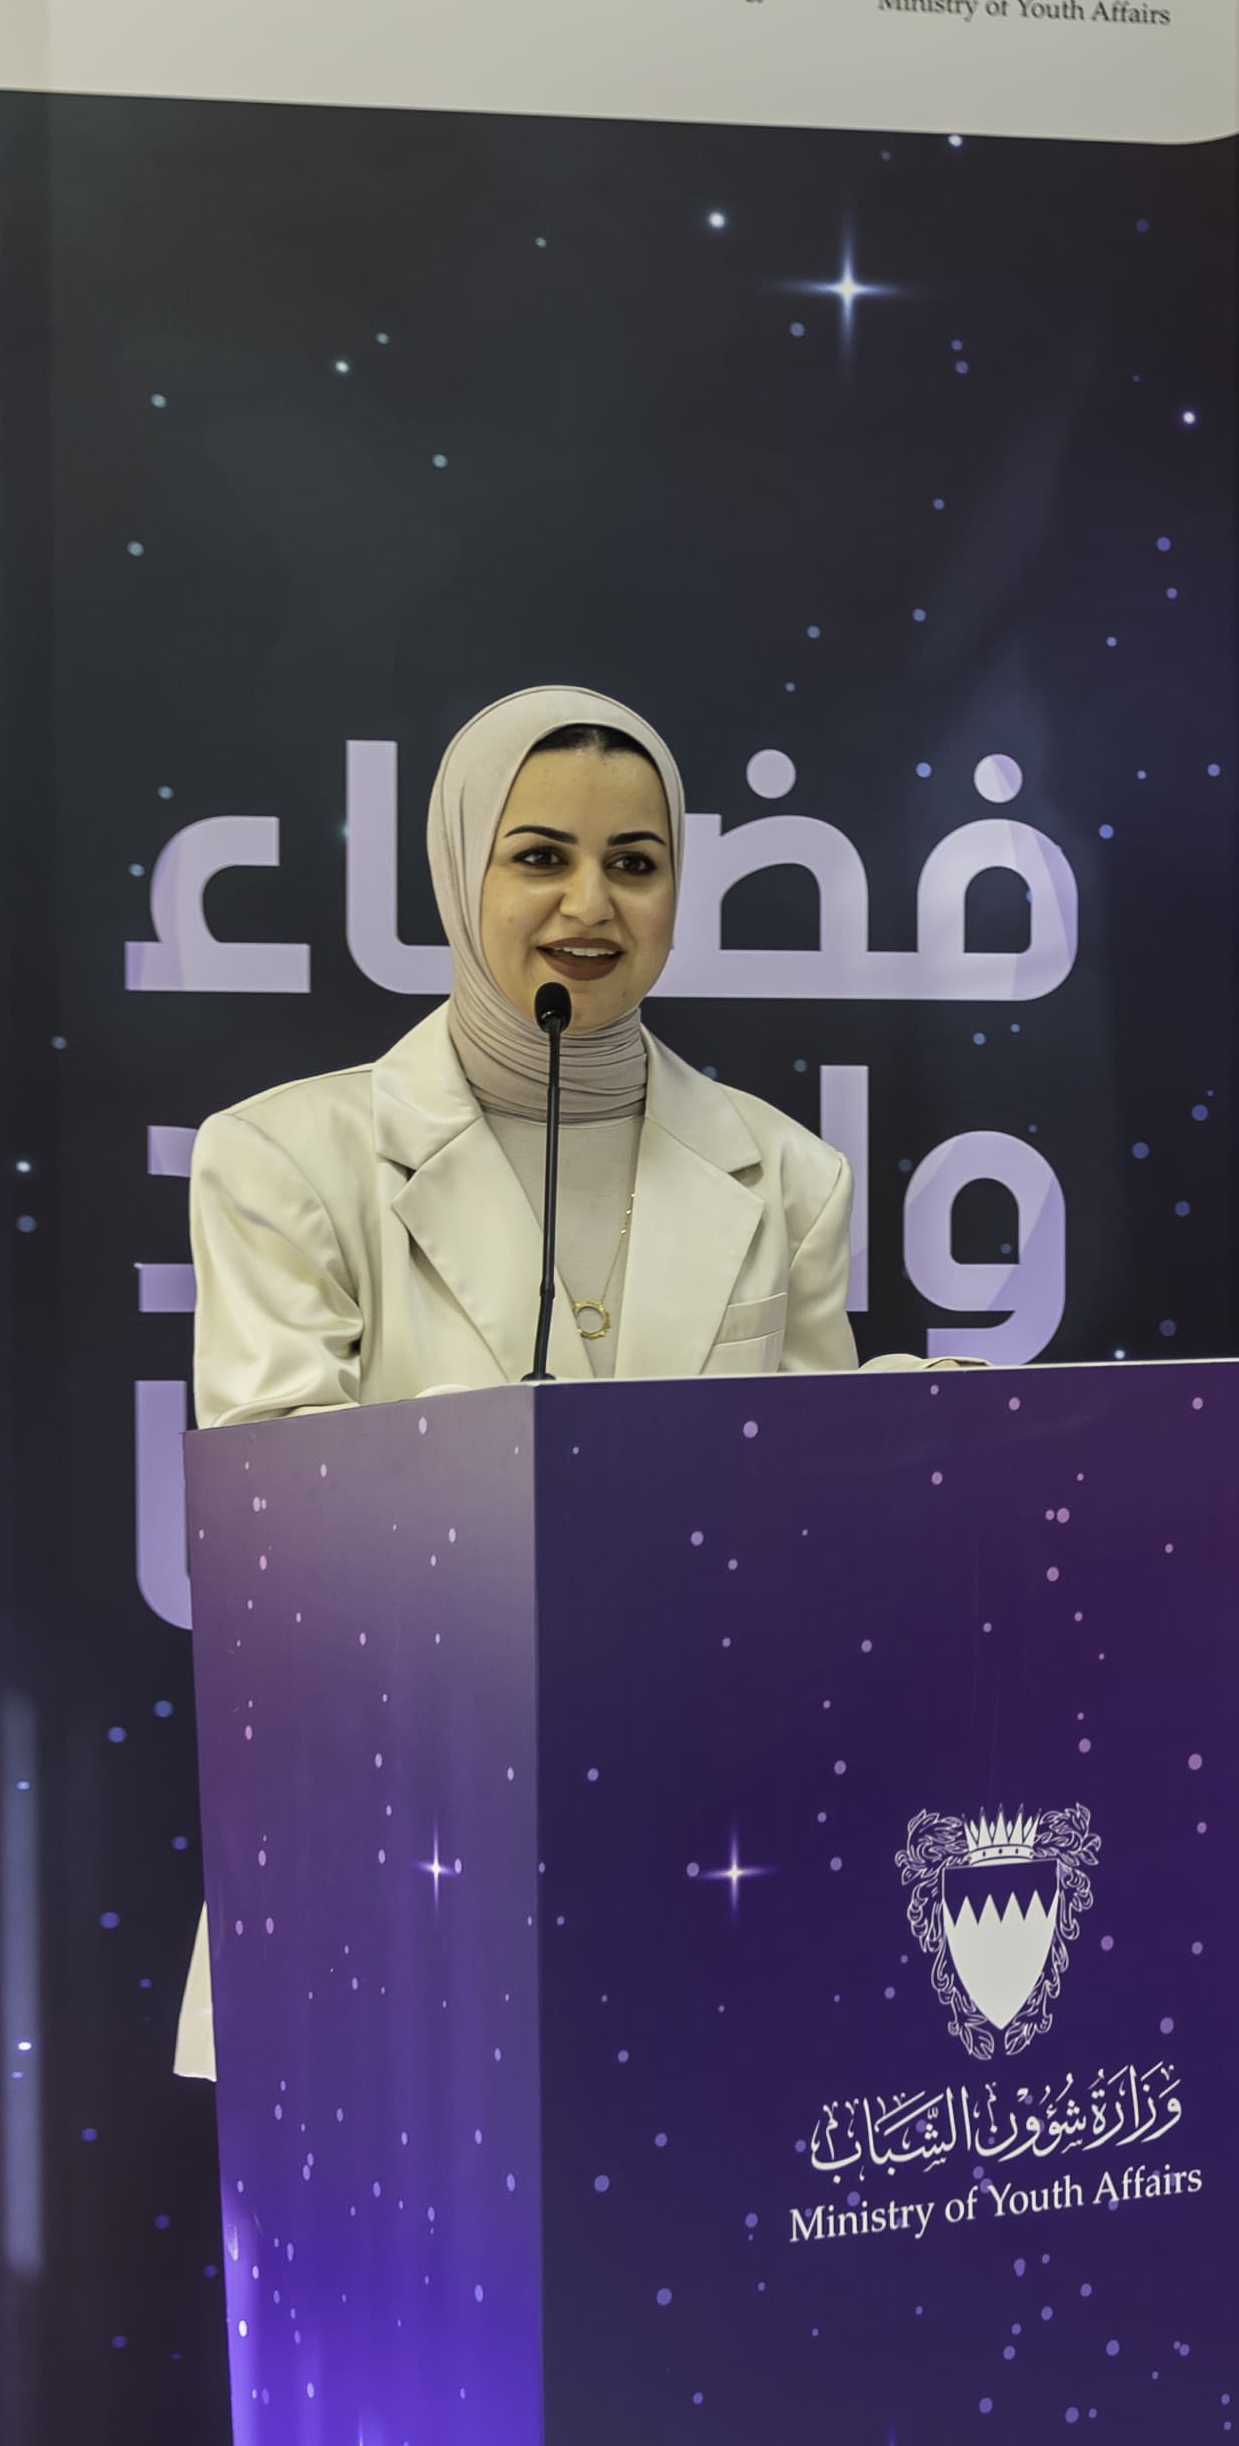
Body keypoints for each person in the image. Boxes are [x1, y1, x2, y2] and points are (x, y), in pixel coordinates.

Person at [171, 682, 862, 2070]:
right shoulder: (283, 1159)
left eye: (636, 863)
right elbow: (284, 1545)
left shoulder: (790, 1174)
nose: (589, 906)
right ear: (457, 871)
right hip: (401, 1842)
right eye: (540, 855)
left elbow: (808, 1534)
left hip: (697, 1854)